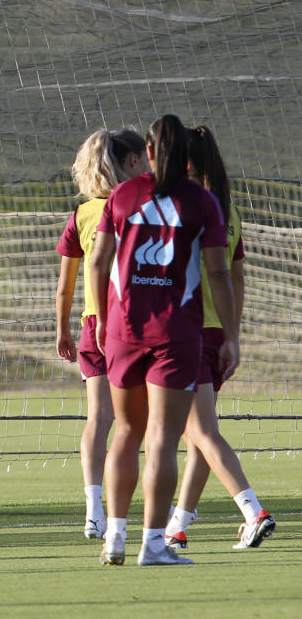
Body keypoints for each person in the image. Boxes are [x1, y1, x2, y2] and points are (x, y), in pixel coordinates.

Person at [89, 114, 239, 566]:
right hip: (174, 333)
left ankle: (114, 537)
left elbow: (98, 262)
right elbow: (217, 271)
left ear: (150, 152)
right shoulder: (203, 202)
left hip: (122, 330)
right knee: (162, 438)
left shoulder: (122, 194)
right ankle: (153, 545)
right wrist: (230, 336)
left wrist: (99, 319)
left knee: (126, 431)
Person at [164, 125, 275, 550]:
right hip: (215, 334)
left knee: (203, 433)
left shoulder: (182, 208)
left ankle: (253, 511)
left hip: (187, 331)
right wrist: (233, 335)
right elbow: (236, 278)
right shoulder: (228, 211)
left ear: (186, 164)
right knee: (199, 439)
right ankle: (177, 525)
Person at [55, 129, 147, 539]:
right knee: (137, 423)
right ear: (128, 163)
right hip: (131, 323)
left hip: (91, 324)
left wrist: (62, 330)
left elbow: (65, 284)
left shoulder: (81, 215)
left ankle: (94, 510)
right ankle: (135, 515)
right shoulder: (138, 207)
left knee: (100, 417)